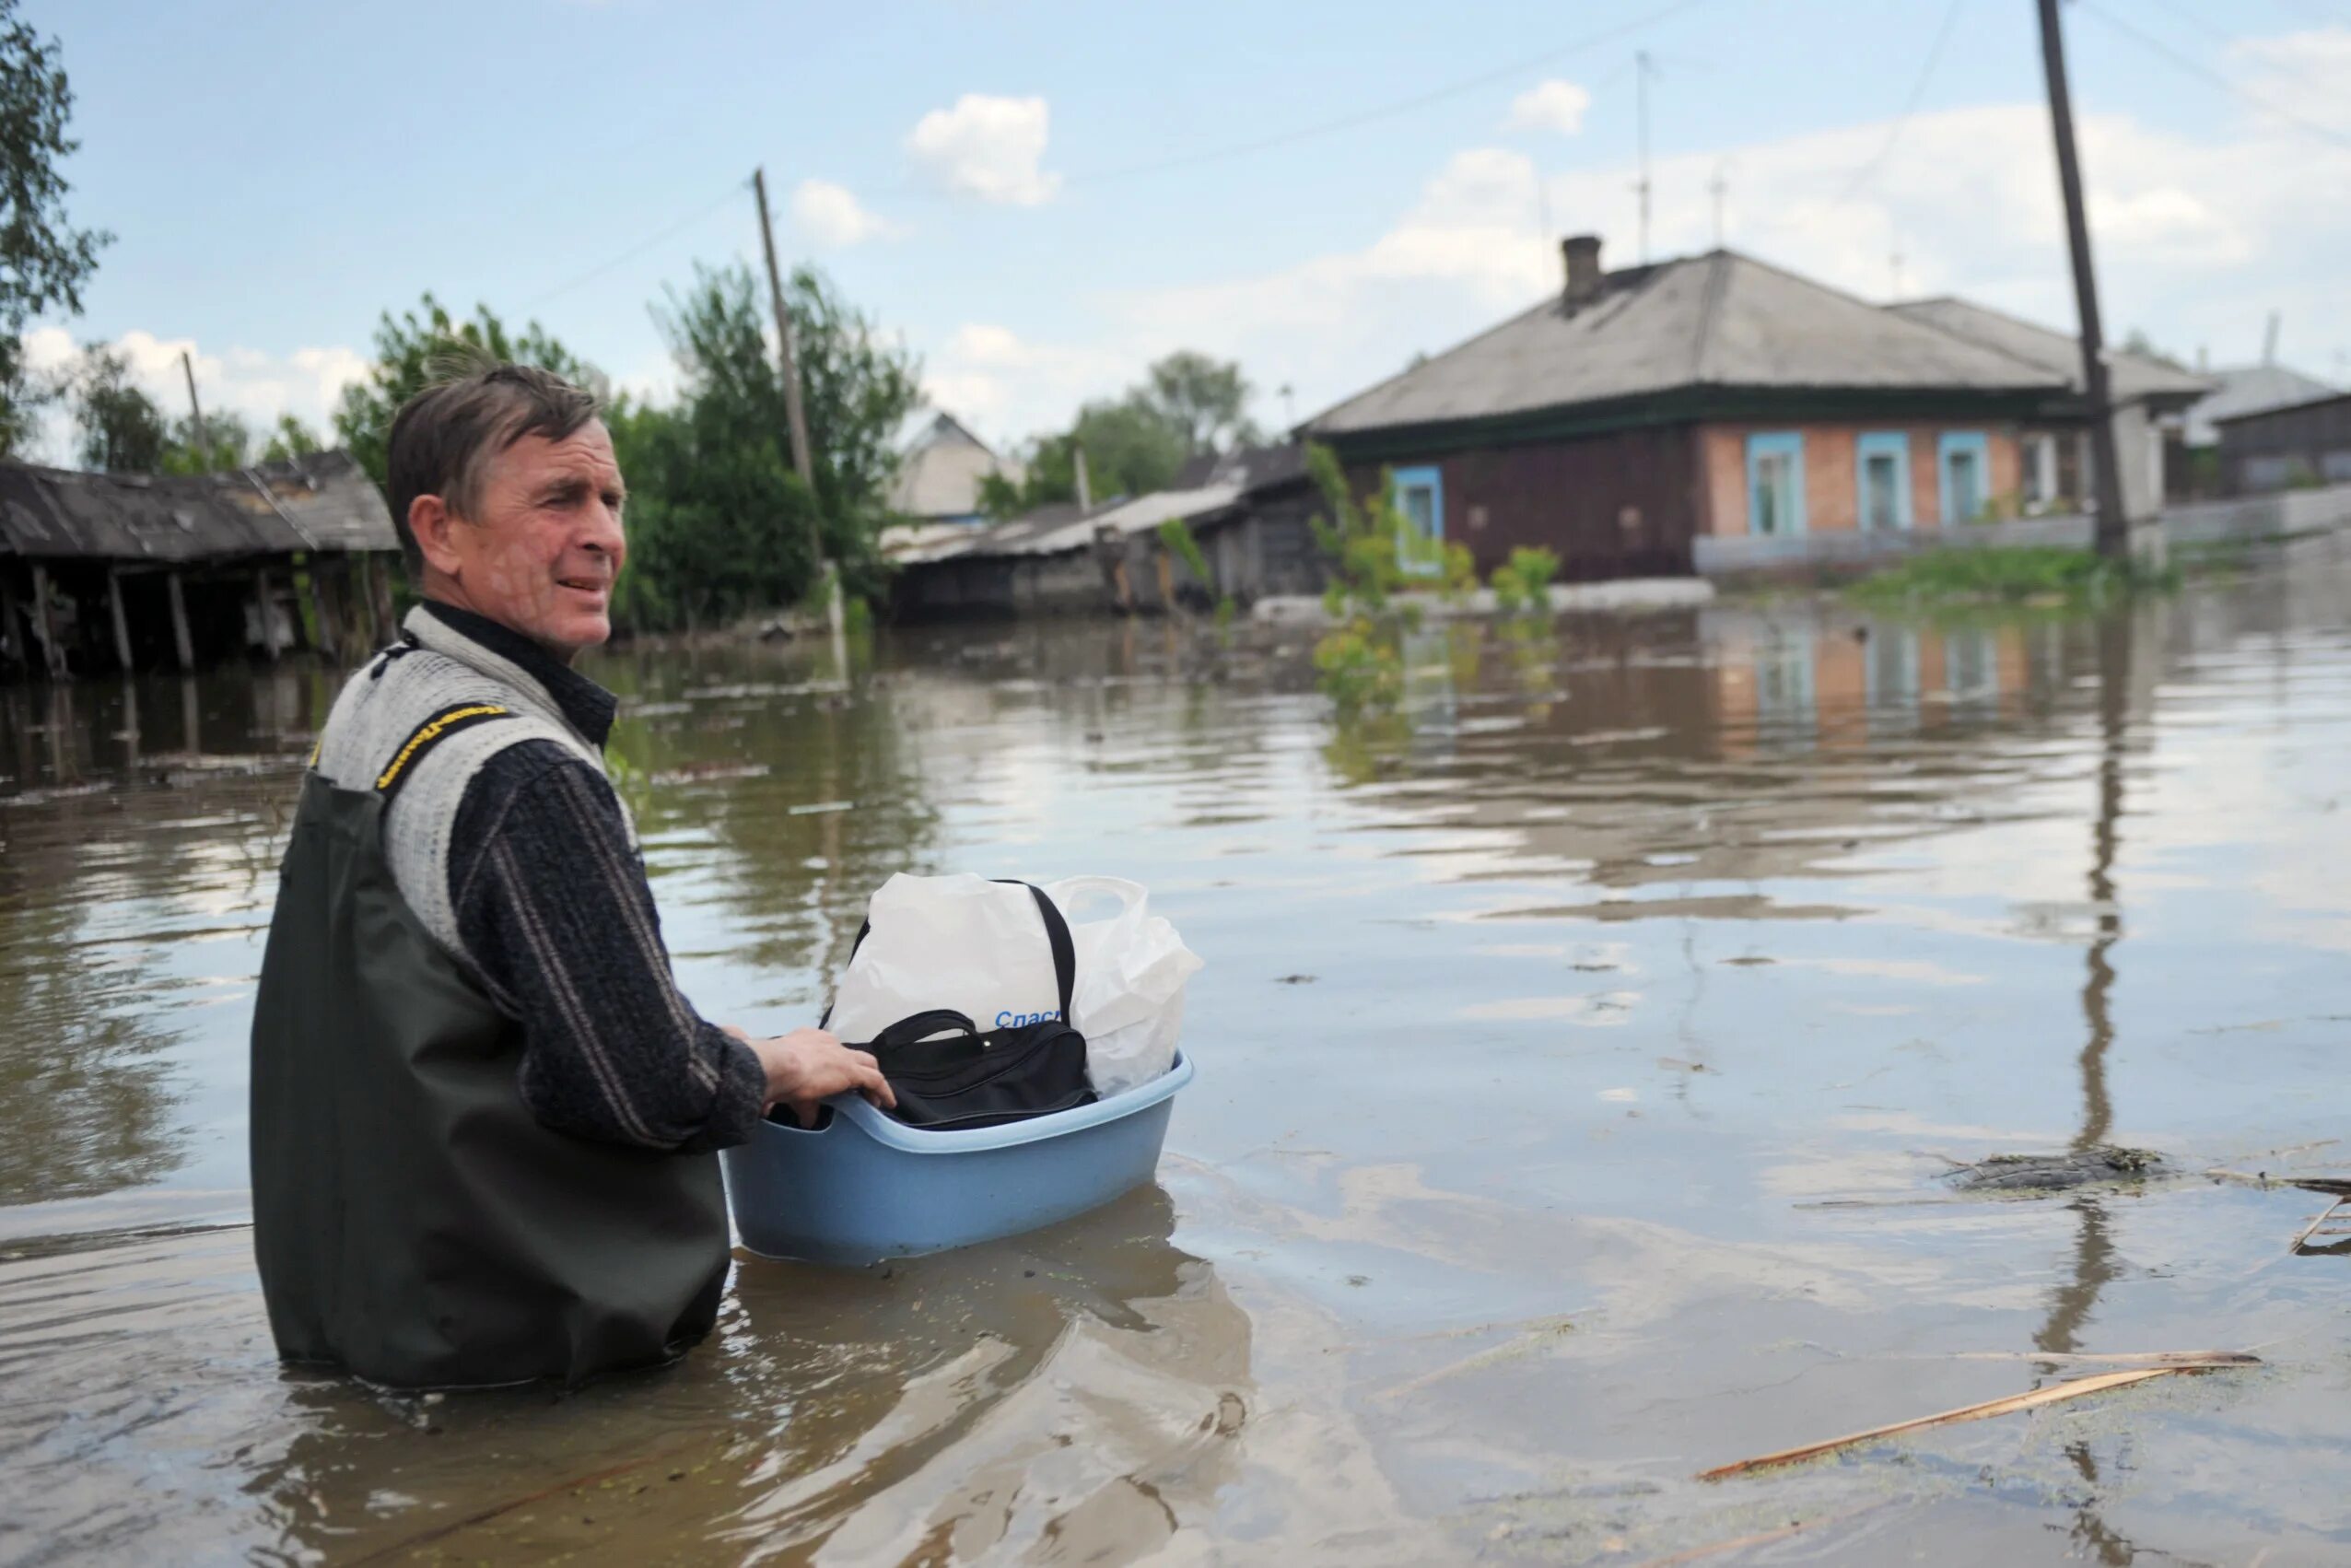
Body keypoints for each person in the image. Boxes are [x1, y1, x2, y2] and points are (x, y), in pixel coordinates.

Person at [247, 358, 892, 1390]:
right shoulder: (525, 776)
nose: (604, 534)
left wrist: (684, 1034)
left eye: (610, 498)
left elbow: (479, 1007)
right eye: (559, 498)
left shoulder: (372, 700)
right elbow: (646, 1089)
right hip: (538, 1361)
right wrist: (778, 1063)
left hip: (368, 1322)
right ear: (439, 530)